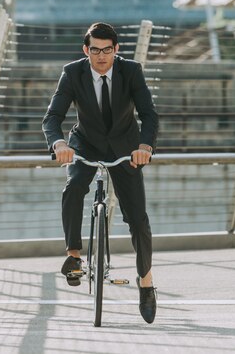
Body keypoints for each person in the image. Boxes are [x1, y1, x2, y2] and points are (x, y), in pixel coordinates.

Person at [42, 22, 159, 324]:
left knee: (138, 219)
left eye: (108, 50)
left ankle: (145, 283)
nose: (102, 56)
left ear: (116, 50)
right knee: (74, 187)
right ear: (86, 50)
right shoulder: (73, 72)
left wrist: (145, 145)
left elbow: (148, 114)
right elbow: (53, 116)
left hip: (126, 148)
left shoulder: (130, 71)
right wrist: (58, 143)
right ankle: (74, 255)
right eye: (95, 50)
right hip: (85, 144)